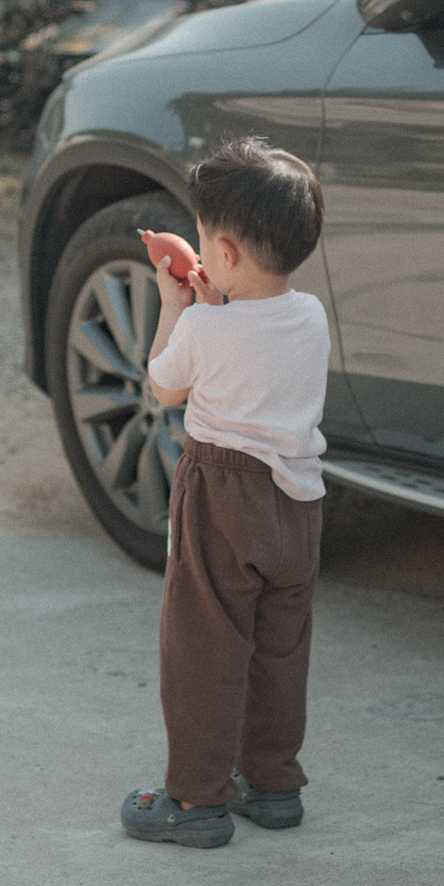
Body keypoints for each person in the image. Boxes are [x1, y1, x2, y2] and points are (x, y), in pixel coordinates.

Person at [119, 138, 330, 849]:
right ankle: (273, 784)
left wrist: (175, 305)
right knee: (278, 648)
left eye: (205, 236)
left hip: (223, 496)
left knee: (204, 646)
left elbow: (164, 384)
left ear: (226, 253)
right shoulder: (312, 316)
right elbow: (259, 350)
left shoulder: (205, 327)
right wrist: (216, 308)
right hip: (298, 500)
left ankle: (196, 798)